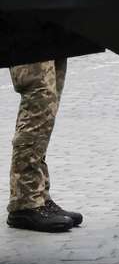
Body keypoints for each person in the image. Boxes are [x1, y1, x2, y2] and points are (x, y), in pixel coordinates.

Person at [6, 60, 83, 232]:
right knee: (39, 99)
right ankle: (24, 202)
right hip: (27, 37)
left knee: (48, 105)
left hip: (53, 35)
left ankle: (39, 196)